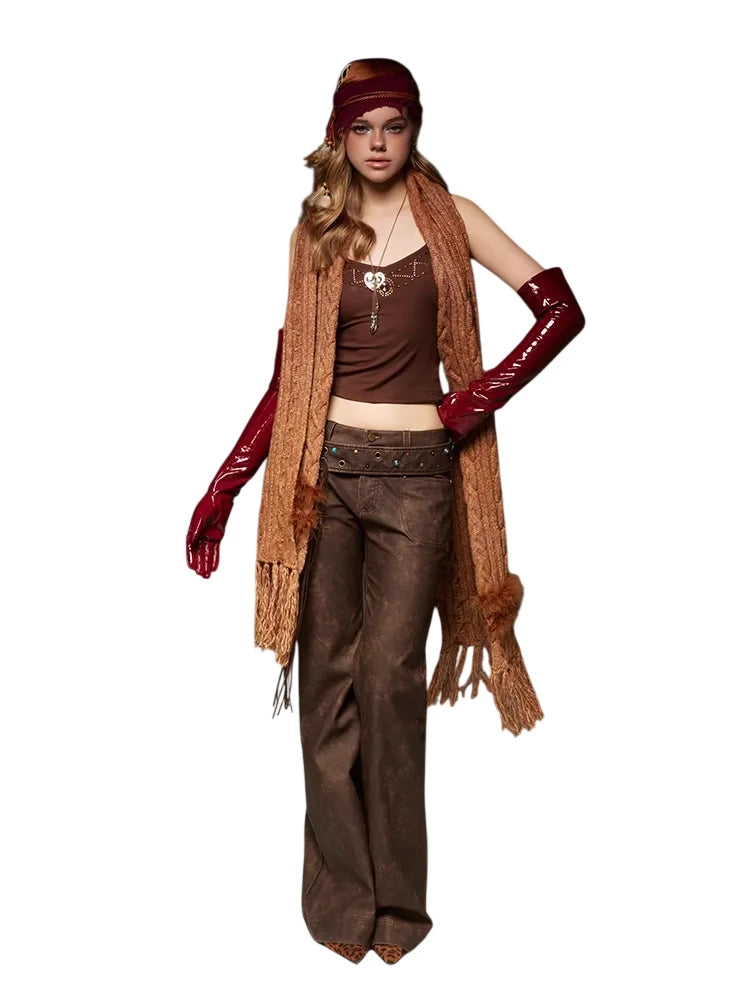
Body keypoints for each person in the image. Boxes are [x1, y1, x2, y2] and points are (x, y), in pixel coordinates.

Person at [186, 58, 585, 965]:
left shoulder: (453, 218)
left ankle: (399, 906)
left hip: (418, 480)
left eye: (393, 126)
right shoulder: (316, 232)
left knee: (390, 681)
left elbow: (560, 309)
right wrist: (227, 483)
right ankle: (342, 900)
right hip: (321, 479)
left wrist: (483, 393)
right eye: (361, 128)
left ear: (414, 130)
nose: (377, 144)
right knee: (324, 685)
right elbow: (290, 380)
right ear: (339, 136)